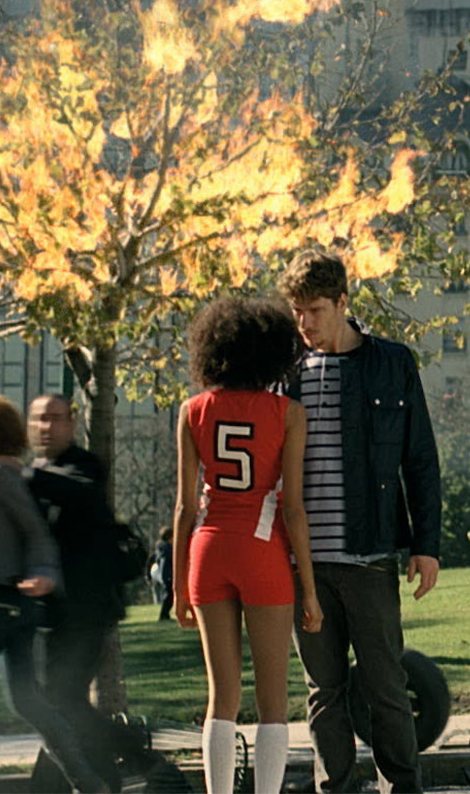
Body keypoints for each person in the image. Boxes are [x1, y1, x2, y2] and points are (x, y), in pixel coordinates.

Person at [280, 252, 443, 794]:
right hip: (305, 565)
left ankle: (402, 786)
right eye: (296, 311)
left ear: (344, 303)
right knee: (323, 692)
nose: (304, 323)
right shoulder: (286, 373)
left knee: (386, 686)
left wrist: (427, 545)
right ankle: (335, 788)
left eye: (315, 310)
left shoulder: (391, 363)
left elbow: (419, 459)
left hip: (370, 556)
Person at [175, 297, 324, 794]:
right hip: (262, 552)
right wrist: (309, 589)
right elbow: (293, 509)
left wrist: (177, 589)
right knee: (273, 701)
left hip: (208, 550)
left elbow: (183, 508)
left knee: (221, 697)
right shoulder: (288, 414)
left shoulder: (192, 410)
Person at [0, 395, 108, 794]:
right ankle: (87, 782)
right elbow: (15, 535)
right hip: (17, 606)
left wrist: (45, 572)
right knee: (27, 702)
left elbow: (37, 533)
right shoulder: (2, 476)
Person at [26, 393, 137, 793]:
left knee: (60, 700)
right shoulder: (34, 473)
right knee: (58, 702)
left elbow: (80, 494)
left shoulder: (83, 467)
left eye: (55, 418)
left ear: (71, 423)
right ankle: (100, 775)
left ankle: (128, 747)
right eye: (39, 419)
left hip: (86, 611)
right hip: (50, 615)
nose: (46, 426)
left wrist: (20, 478)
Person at [154, 526, 175, 622]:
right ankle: (163, 615)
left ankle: (165, 614)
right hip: (168, 574)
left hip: (164, 574)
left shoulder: (160, 547)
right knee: (169, 596)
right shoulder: (168, 548)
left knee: (169, 595)